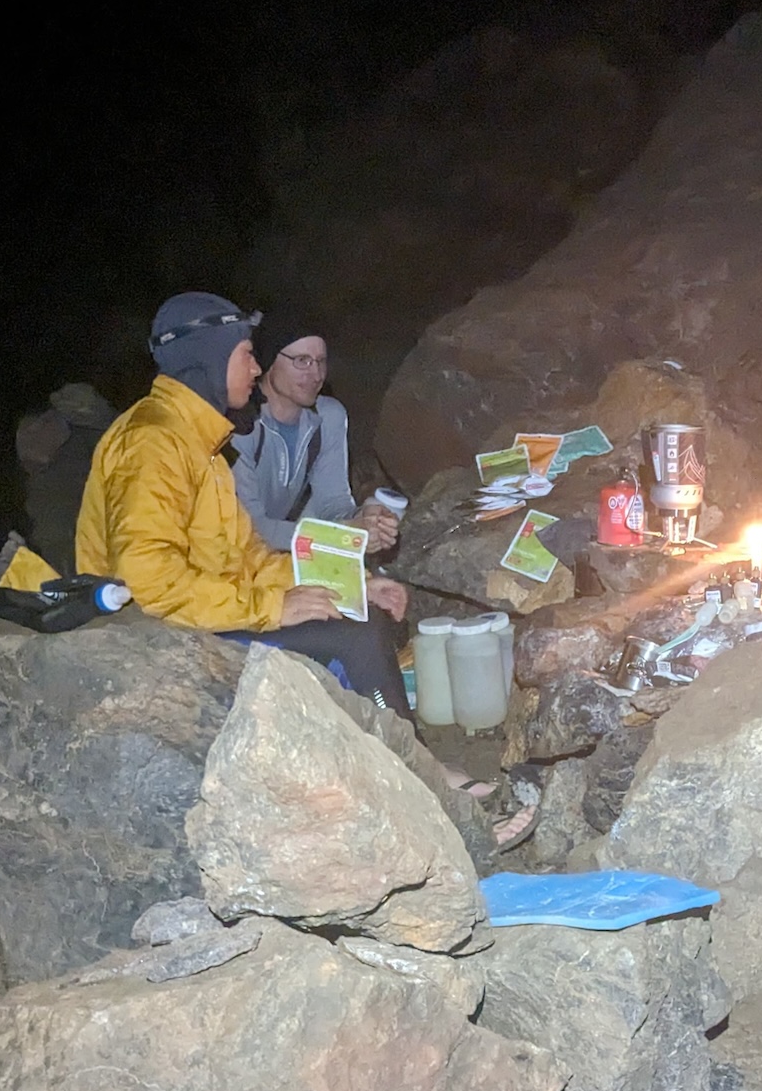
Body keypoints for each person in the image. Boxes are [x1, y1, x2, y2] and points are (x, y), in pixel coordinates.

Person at [76, 292, 529, 855]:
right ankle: (427, 787)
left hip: (201, 606)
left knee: (356, 610)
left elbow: (244, 559)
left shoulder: (195, 439)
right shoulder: (155, 443)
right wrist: (271, 608)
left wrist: (345, 583)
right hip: (158, 630)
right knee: (352, 637)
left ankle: (402, 771)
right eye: (246, 353)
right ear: (209, 359)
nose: (255, 366)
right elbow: (147, 582)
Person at [232, 330, 400, 559]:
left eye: (321, 361)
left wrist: (365, 518)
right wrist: (341, 537)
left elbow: (332, 504)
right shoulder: (240, 424)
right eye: (302, 361)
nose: (317, 374)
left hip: (277, 554)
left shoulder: (328, 417)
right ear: (269, 361)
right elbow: (249, 527)